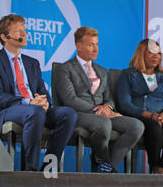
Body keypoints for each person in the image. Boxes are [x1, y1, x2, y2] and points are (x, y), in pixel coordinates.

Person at [0, 14, 77, 171]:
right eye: (19, 31)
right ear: (4, 36)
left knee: (68, 114)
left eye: (24, 30)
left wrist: (44, 101)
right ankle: (30, 171)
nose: (25, 34)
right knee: (34, 112)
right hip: (6, 109)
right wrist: (28, 102)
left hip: (34, 108)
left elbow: (41, 90)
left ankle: (48, 167)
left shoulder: (32, 63)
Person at [54, 27, 144, 173]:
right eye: (91, 45)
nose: (95, 49)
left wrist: (107, 106)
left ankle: (107, 166)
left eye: (97, 44)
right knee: (104, 122)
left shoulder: (102, 71)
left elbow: (109, 97)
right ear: (78, 46)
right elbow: (69, 99)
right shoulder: (64, 69)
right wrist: (97, 112)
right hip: (79, 114)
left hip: (103, 115)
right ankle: (103, 163)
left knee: (136, 126)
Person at [116, 39, 163, 174]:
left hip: (160, 116)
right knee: (154, 130)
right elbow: (124, 104)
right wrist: (150, 115)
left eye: (158, 53)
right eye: (151, 53)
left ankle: (162, 169)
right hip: (138, 115)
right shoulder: (128, 75)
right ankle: (154, 166)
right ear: (141, 54)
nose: (156, 57)